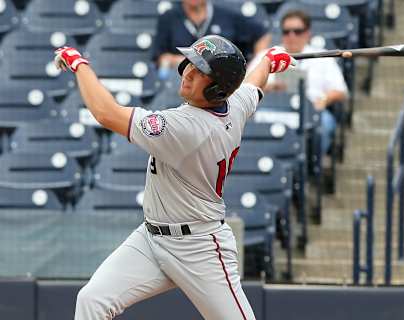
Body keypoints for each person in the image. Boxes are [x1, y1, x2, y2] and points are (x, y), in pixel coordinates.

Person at [54, 35, 294, 320]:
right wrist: (268, 60)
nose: (188, 72)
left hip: (200, 246)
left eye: (201, 70)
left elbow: (107, 114)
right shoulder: (236, 102)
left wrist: (78, 63)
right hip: (151, 238)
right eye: (190, 62)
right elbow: (253, 84)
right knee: (92, 300)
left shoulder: (189, 127)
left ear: (218, 87)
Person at [250, 10, 348, 155]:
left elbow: (341, 91)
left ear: (308, 33)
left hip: (311, 110)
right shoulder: (265, 56)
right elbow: (245, 86)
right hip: (271, 109)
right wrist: (268, 88)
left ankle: (311, 170)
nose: (292, 36)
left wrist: (324, 100)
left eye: (298, 31)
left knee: (325, 124)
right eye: (287, 31)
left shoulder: (323, 57)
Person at [152, 0, 271, 80]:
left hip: (223, 83)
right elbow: (160, 58)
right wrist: (192, 62)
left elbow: (262, 34)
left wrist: (253, 70)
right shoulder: (169, 18)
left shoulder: (226, 16)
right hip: (182, 81)